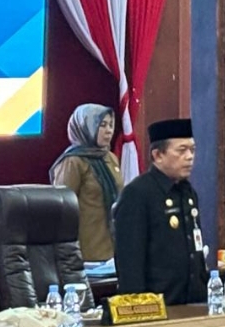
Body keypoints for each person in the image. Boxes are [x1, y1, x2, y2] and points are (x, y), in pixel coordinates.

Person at [113, 118, 208, 305]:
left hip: (194, 301)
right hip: (157, 304)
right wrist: (137, 306)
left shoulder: (187, 191)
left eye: (192, 150)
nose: (189, 157)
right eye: (181, 150)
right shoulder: (137, 194)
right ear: (157, 155)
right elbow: (130, 262)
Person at [49, 104, 124, 262]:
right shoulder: (73, 162)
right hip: (86, 253)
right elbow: (61, 210)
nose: (109, 131)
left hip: (114, 251)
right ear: (86, 127)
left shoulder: (110, 158)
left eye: (111, 125)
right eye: (102, 125)